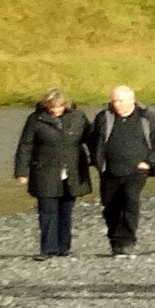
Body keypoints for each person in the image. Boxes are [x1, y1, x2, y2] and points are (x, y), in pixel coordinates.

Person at [84, 84, 155, 255]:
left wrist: (149, 162)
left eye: (120, 101)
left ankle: (127, 241)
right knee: (110, 206)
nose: (116, 104)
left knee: (129, 201)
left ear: (131, 100)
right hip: (109, 171)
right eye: (114, 101)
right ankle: (115, 240)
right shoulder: (104, 118)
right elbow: (93, 140)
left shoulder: (147, 118)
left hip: (137, 171)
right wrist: (98, 161)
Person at [13, 89, 92, 258]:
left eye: (59, 106)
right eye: (52, 107)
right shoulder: (35, 120)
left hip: (73, 171)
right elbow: (25, 146)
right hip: (45, 170)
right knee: (47, 211)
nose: (55, 110)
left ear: (65, 104)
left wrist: (100, 161)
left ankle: (64, 247)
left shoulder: (78, 117)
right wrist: (21, 171)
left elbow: (91, 139)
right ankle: (48, 249)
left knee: (66, 211)